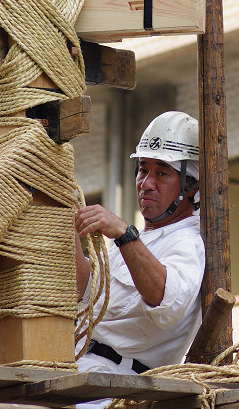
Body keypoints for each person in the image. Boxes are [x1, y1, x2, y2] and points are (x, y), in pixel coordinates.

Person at [73, 111, 205, 385]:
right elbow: (85, 292)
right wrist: (67, 226)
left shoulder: (189, 242)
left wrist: (123, 233)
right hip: (83, 369)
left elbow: (167, 301)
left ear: (190, 186)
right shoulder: (142, 241)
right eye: (143, 170)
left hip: (115, 385)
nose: (146, 184)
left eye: (162, 173)